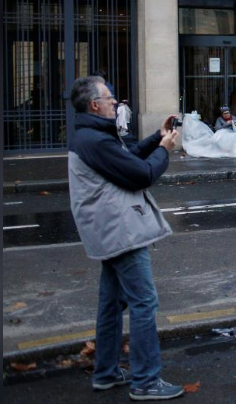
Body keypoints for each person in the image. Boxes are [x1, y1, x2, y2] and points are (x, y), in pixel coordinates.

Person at [67, 75, 185, 401]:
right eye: (109, 97)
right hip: (120, 232)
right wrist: (164, 149)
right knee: (144, 303)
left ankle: (105, 373)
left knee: (111, 304)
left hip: (108, 231)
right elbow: (141, 174)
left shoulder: (93, 135)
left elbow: (129, 155)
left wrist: (155, 139)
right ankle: (146, 381)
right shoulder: (95, 140)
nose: (115, 101)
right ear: (94, 105)